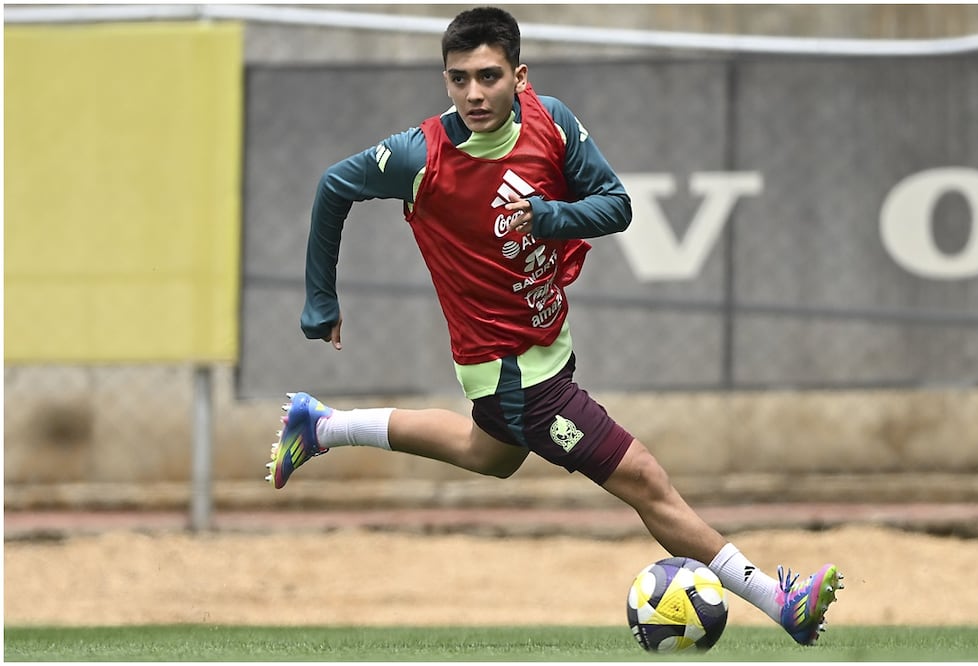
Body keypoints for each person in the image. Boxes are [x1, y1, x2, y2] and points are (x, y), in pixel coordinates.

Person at [267, 6, 842, 645]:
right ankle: (782, 600)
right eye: (458, 79)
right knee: (644, 479)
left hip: (545, 349)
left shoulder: (552, 121)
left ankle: (320, 426)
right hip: (515, 375)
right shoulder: (420, 155)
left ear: (519, 76)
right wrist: (321, 300)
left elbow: (615, 205)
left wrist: (546, 217)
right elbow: (334, 186)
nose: (473, 93)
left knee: (488, 454)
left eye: (488, 76)